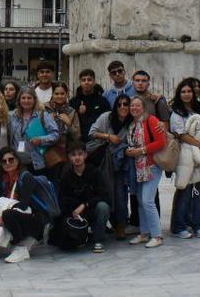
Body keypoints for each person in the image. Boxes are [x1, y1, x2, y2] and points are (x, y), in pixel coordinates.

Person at [87, 94, 133, 239]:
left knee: (120, 195)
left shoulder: (132, 122)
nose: (123, 107)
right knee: (104, 192)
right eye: (119, 104)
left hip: (120, 163)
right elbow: (92, 133)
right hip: (102, 163)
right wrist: (108, 136)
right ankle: (101, 223)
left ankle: (120, 225)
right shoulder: (106, 117)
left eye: (126, 104)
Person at [169, 77, 200, 239]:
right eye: (183, 91)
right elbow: (181, 134)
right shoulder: (176, 113)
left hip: (199, 154)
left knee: (197, 190)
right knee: (184, 189)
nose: (186, 94)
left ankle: (198, 224)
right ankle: (178, 226)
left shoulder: (197, 109)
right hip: (185, 154)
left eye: (189, 91)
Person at [0, 146, 44, 264]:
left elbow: (24, 204)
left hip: (32, 219)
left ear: (17, 160)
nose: (8, 163)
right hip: (11, 216)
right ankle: (16, 245)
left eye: (11, 159)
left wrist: (3, 215)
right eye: (4, 161)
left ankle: (19, 244)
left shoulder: (26, 177)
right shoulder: (3, 181)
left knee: (8, 215)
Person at [125, 95, 167, 248]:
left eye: (137, 105)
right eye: (132, 106)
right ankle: (144, 232)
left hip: (152, 165)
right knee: (141, 201)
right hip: (139, 167)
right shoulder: (133, 124)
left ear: (143, 107)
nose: (134, 108)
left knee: (148, 200)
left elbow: (161, 142)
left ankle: (157, 235)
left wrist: (140, 151)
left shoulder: (152, 121)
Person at [55, 142, 112, 253]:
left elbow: (104, 195)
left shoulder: (95, 172)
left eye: (80, 154)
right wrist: (73, 211)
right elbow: (63, 199)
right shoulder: (66, 176)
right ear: (69, 157)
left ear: (85, 155)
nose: (77, 158)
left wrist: (85, 205)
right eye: (74, 155)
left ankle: (98, 240)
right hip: (74, 212)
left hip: (92, 209)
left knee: (103, 206)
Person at [9, 88, 59, 174]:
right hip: (17, 164)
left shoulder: (42, 115)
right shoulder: (12, 116)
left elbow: (55, 134)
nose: (26, 101)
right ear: (19, 100)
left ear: (34, 100)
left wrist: (41, 140)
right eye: (23, 98)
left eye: (29, 98)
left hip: (36, 164)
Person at [45, 82, 81, 177]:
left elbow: (77, 135)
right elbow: (37, 131)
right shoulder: (44, 109)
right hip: (47, 149)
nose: (59, 96)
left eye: (62, 93)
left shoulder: (71, 111)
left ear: (67, 94)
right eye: (56, 94)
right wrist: (48, 122)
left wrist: (68, 123)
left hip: (66, 151)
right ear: (52, 94)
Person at [70, 69, 110, 140]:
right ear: (80, 82)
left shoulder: (102, 101)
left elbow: (108, 120)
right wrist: (79, 113)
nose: (86, 82)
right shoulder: (73, 101)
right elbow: (71, 123)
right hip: (79, 142)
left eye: (89, 80)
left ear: (94, 81)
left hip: (98, 141)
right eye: (83, 80)